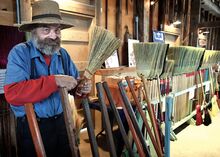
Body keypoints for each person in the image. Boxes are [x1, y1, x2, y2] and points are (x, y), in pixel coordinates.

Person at [4, 0, 91, 157]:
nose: (53, 36)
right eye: (46, 30)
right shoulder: (20, 53)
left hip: (62, 123)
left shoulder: (62, 55)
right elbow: (13, 93)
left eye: (57, 31)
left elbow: (75, 85)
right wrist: (54, 81)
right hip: (33, 127)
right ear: (34, 31)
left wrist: (81, 89)